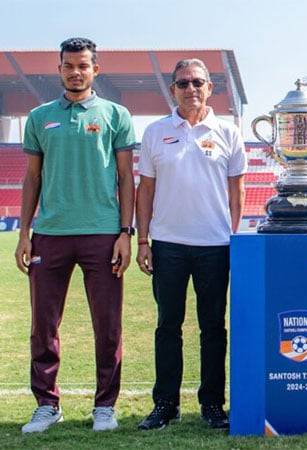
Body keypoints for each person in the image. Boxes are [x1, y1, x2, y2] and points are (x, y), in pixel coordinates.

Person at [15, 37, 136, 433]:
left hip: (102, 234)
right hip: (50, 235)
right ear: (60, 69)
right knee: (43, 326)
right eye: (69, 65)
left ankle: (105, 406)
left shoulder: (116, 114)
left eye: (83, 65)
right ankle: (47, 405)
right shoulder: (39, 117)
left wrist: (124, 232)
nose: (76, 71)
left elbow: (125, 178)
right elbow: (32, 178)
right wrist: (24, 233)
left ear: (95, 69)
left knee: (108, 324)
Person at [136, 59, 246, 430]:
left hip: (215, 244)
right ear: (173, 90)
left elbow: (237, 189)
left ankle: (213, 404)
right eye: (182, 83)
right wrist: (143, 240)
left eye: (198, 82)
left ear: (210, 88)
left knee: (213, 328)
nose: (190, 88)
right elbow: (145, 189)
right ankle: (165, 404)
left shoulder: (228, 132)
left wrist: (232, 234)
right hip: (167, 244)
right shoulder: (155, 132)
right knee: (168, 326)